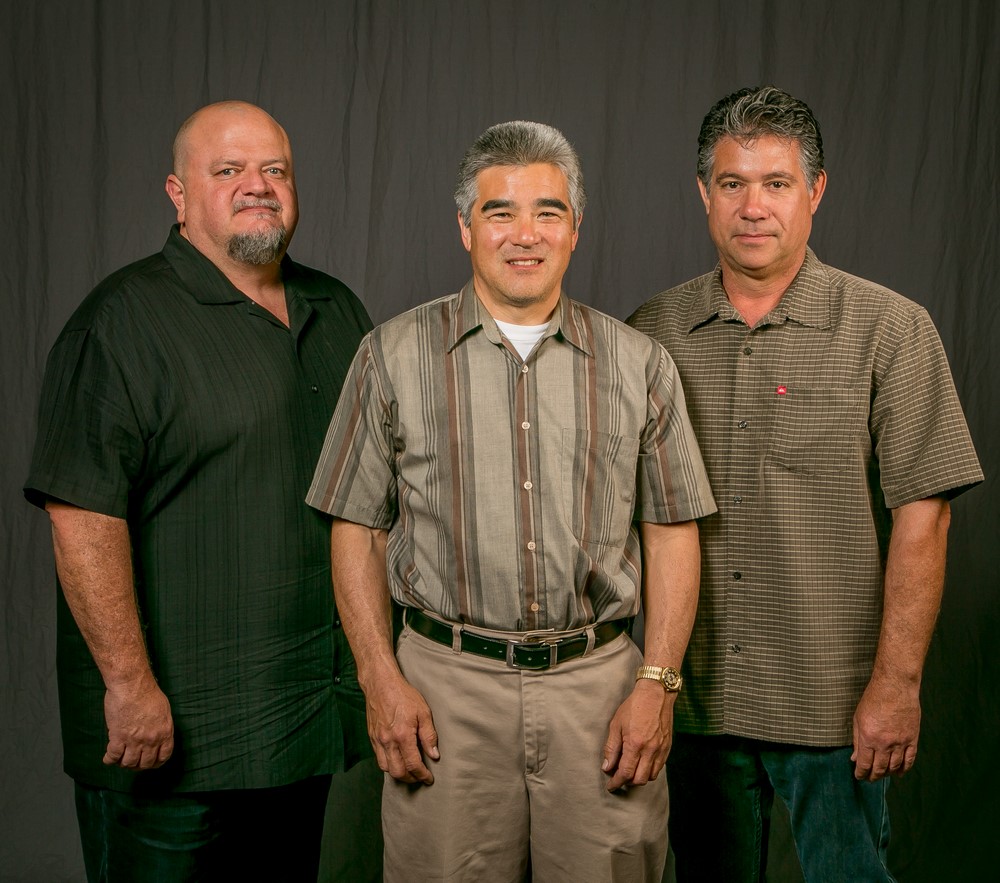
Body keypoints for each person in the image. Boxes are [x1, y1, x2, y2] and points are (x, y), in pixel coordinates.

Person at [306, 120, 717, 882]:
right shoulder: (391, 355)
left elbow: (672, 532)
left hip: (599, 691)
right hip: (444, 691)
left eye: (548, 211)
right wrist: (380, 681)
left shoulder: (638, 363)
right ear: (465, 226)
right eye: (500, 211)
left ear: (576, 227)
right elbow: (354, 527)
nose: (524, 234)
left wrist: (657, 685)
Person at [627, 85, 984, 882]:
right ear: (703, 194)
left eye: (777, 183)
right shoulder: (651, 330)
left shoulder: (890, 328)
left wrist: (895, 686)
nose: (754, 208)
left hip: (835, 706)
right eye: (732, 183)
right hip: (696, 701)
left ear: (815, 191)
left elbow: (925, 519)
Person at [25, 100, 373, 882]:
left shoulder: (338, 310)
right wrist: (128, 683)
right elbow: (81, 514)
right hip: (172, 741)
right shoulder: (118, 324)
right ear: (179, 195)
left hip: (300, 726)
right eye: (229, 171)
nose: (258, 186)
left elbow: (372, 501)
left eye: (274, 170)